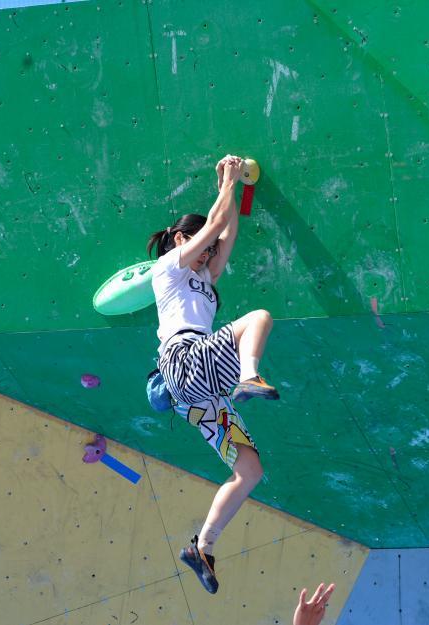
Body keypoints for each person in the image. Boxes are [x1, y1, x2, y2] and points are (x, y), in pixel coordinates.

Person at [146, 154, 280, 594]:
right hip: (184, 360)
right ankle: (248, 376)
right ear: (181, 239)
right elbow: (217, 223)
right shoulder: (168, 269)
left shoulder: (205, 278)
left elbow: (226, 232)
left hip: (198, 393)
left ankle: (201, 547)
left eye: (209, 251)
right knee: (258, 317)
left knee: (250, 470)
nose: (209, 254)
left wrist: (234, 185)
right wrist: (227, 180)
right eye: (201, 246)